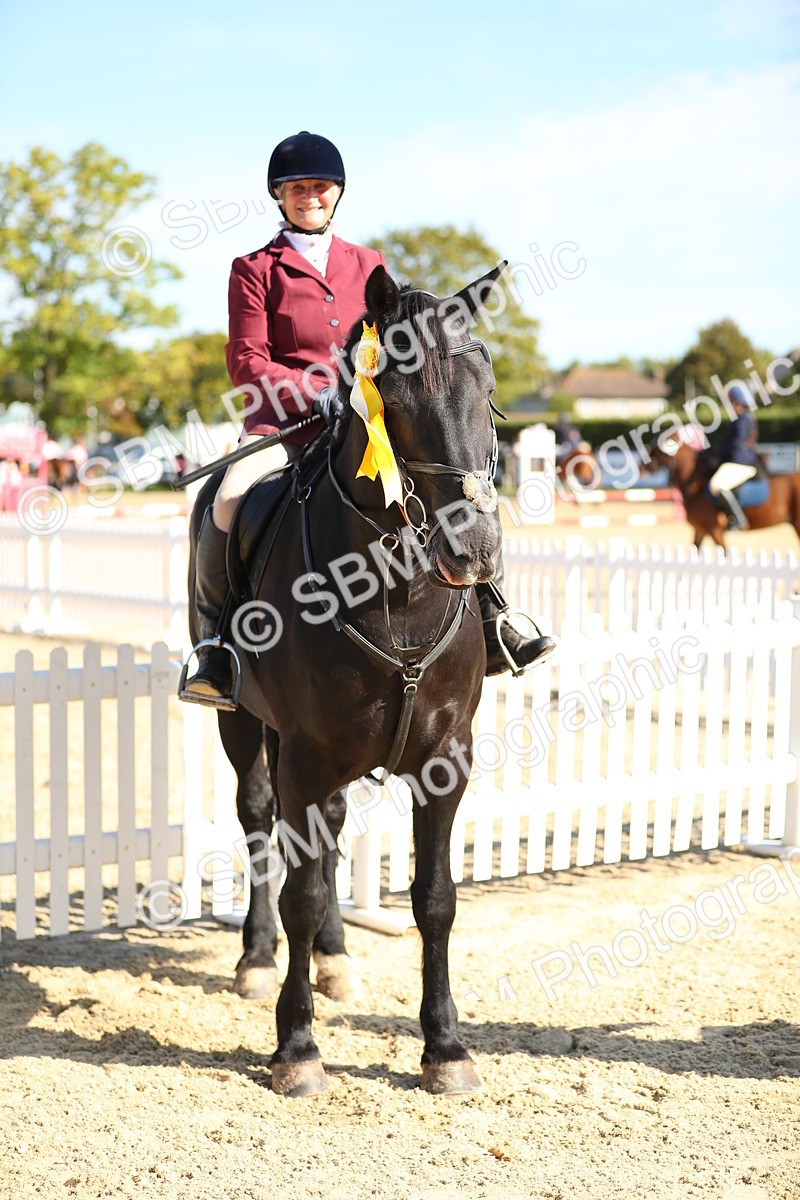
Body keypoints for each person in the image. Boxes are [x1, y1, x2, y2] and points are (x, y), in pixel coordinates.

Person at [180, 132, 555, 707]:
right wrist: (316, 390)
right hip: (282, 428)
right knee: (228, 499)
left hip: (366, 424)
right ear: (279, 196)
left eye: (319, 187)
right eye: (297, 188)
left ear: (337, 194)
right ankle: (214, 648)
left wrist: (361, 387)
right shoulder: (254, 268)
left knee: (446, 483)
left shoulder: (369, 264)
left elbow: (397, 346)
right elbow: (246, 359)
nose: (310, 196)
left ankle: (492, 619)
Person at [707, 384, 759, 530]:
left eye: (733, 402)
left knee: (716, 484)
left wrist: (719, 452)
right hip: (739, 460)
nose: (731, 405)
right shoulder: (746, 418)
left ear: (739, 402)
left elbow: (736, 443)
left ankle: (738, 519)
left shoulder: (743, 419)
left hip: (740, 462)